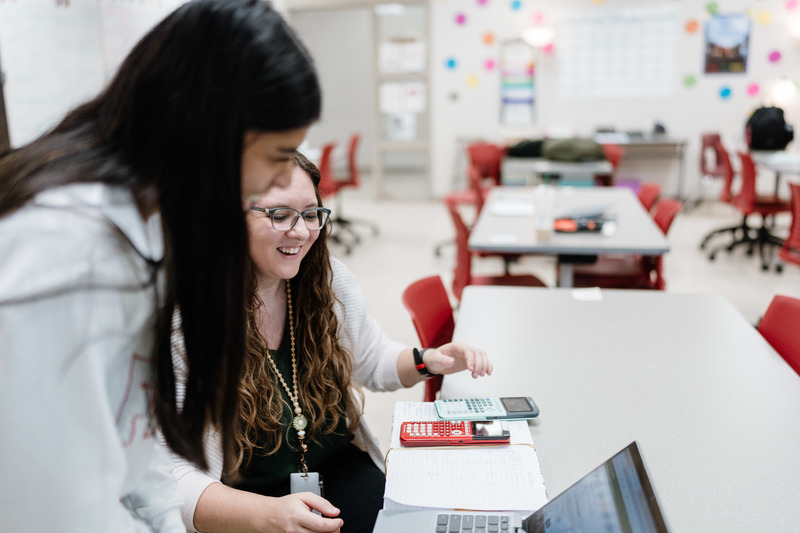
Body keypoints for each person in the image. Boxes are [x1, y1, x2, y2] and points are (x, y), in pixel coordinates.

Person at [0, 1, 321, 531]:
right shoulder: (61, 257)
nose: (277, 181)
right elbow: (49, 508)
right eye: (277, 155)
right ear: (211, 128)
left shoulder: (147, 229)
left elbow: (134, 440)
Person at [170, 152, 493, 533]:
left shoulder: (326, 282)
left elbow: (372, 360)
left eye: (310, 214)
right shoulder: (184, 322)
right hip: (248, 506)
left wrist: (428, 360)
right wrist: (267, 515)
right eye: (279, 214)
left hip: (337, 472)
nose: (302, 232)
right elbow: (169, 477)